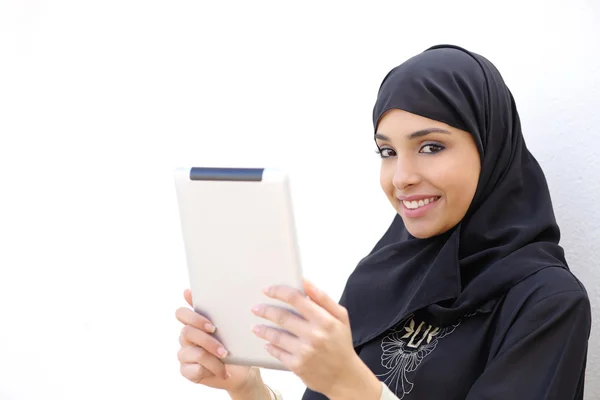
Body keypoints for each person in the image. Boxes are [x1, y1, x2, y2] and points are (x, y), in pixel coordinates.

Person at [174, 44, 592, 399]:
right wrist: (248, 388)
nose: (401, 177)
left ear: (490, 147)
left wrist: (353, 385)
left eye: (430, 146)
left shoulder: (546, 302)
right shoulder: (381, 277)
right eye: (387, 152)